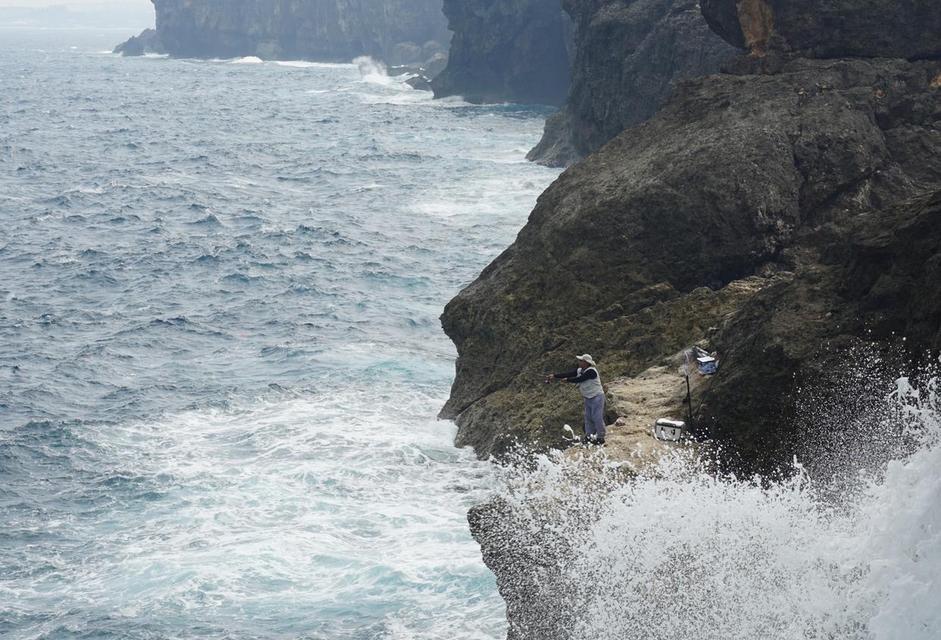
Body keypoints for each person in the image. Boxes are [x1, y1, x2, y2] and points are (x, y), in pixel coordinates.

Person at [546, 354, 606, 445]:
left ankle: (601, 437)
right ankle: (589, 436)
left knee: (597, 417)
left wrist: (568, 380)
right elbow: (568, 374)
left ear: (586, 363)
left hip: (597, 397)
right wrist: (555, 376)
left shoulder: (591, 371)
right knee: (588, 417)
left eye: (581, 361)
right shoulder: (579, 370)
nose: (579, 362)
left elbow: (581, 379)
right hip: (588, 397)